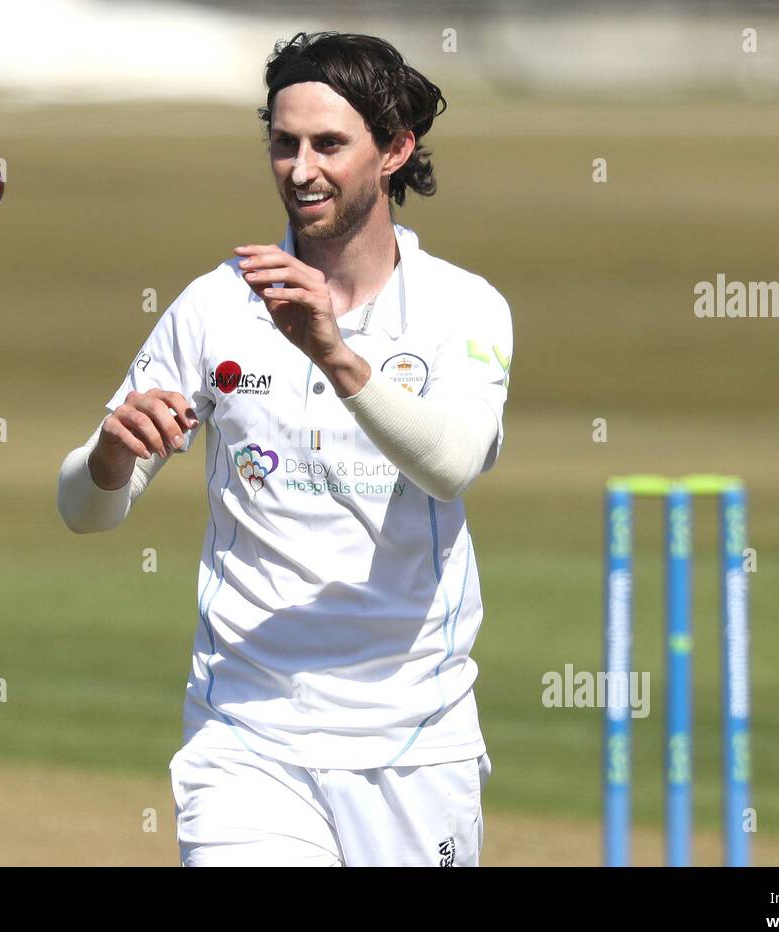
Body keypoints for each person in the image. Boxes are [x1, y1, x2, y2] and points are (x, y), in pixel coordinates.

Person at [57, 31, 512, 866]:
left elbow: (450, 464)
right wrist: (111, 458)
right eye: (283, 142)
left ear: (395, 151)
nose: (300, 169)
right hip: (246, 733)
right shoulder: (214, 306)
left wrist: (333, 352)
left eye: (329, 145)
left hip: (412, 738)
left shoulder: (463, 309)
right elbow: (83, 511)